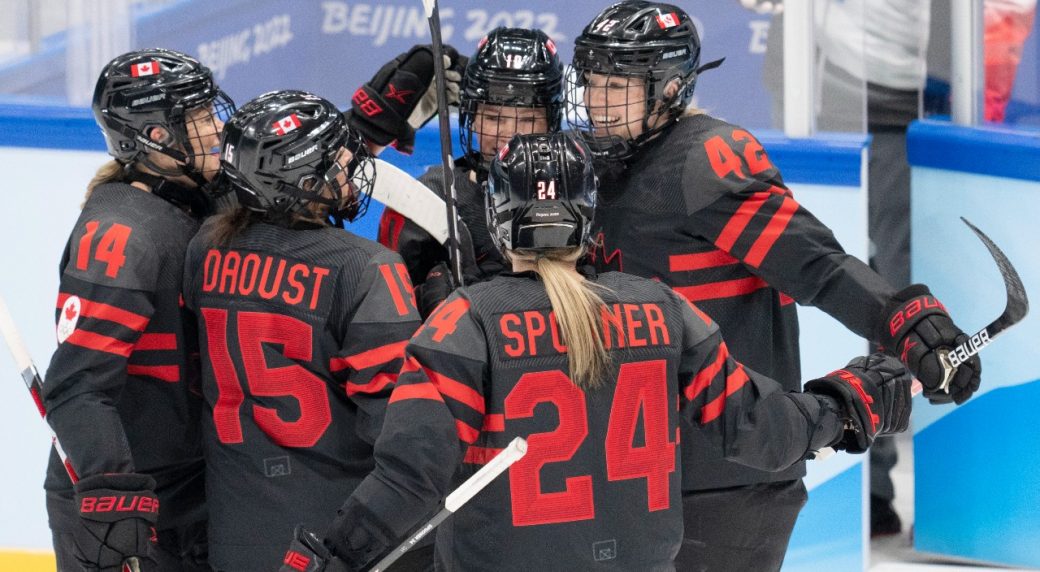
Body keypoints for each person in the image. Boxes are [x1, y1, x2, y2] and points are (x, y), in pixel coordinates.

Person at [275, 131, 912, 572]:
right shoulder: (662, 309)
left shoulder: (464, 323)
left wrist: (333, 554)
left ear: (499, 214)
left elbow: (406, 478)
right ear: (588, 213)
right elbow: (764, 432)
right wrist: (851, 399)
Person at [566, 2, 981, 570]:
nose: (597, 102)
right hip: (638, 469)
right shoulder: (593, 166)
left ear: (667, 90)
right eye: (592, 83)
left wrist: (908, 326)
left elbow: (821, 268)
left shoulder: (703, 163)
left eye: (617, 85)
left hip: (730, 477)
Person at [181, 89, 428, 572]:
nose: (349, 167)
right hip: (337, 542)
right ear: (301, 181)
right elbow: (403, 430)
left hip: (235, 537)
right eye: (336, 159)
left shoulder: (204, 249)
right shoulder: (367, 268)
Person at [40, 48, 234, 571]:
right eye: (198, 118)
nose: (217, 126)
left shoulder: (196, 197)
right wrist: (112, 491)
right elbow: (77, 384)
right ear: (155, 136)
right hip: (129, 505)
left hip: (188, 488)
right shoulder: (123, 234)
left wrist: (370, 119)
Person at [377, 27, 564, 316]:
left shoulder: (580, 192)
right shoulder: (427, 197)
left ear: (551, 123)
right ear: (470, 119)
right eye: (492, 117)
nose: (509, 135)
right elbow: (387, 316)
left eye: (527, 119)